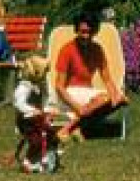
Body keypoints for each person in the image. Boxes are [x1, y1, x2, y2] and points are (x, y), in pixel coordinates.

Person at [53, 13, 128, 141]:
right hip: (69, 93)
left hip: (87, 94)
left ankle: (77, 127)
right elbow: (59, 87)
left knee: (121, 98)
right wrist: (77, 107)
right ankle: (68, 129)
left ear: (95, 32)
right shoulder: (67, 50)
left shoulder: (97, 49)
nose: (86, 36)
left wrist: (116, 96)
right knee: (105, 99)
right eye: (82, 32)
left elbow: (107, 79)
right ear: (76, 30)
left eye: (89, 32)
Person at [0, 55, 59, 173]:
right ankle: (28, 161)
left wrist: (48, 108)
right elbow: (19, 103)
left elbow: (48, 96)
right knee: (35, 139)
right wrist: (32, 110)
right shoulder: (24, 86)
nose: (45, 75)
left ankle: (43, 156)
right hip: (26, 120)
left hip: (38, 117)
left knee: (50, 134)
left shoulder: (42, 82)